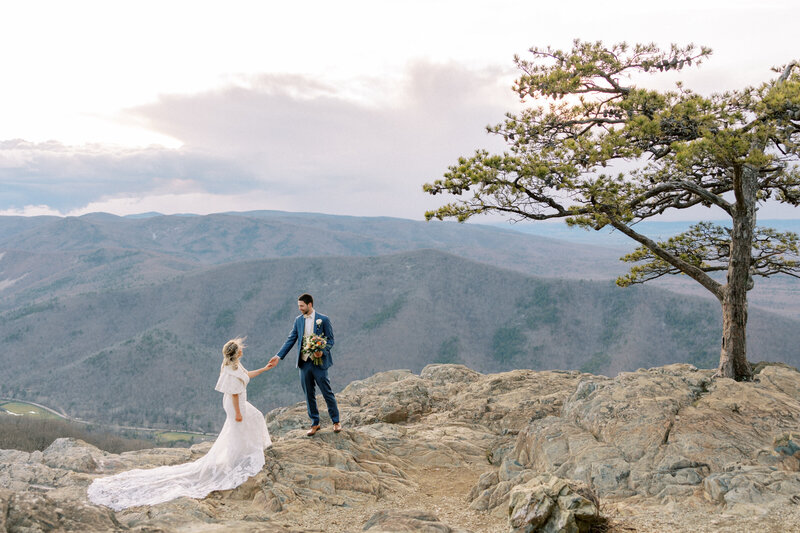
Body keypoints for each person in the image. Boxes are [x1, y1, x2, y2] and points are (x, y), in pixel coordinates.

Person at [87, 338, 272, 511]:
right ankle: (236, 459)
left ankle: (247, 451)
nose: (243, 350)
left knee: (255, 417)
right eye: (241, 348)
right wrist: (238, 413)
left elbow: (247, 375)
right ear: (236, 353)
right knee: (238, 430)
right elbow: (233, 393)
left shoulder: (236, 365)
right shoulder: (230, 370)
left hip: (238, 402)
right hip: (235, 405)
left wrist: (264, 369)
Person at [266, 293, 341, 436]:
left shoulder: (323, 319)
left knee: (327, 392)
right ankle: (315, 423)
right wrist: (278, 356)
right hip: (304, 363)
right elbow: (291, 339)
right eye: (298, 306)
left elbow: (330, 340)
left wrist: (322, 352)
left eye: (301, 306)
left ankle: (336, 422)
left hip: (319, 364)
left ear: (309, 304)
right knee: (309, 394)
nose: (299, 308)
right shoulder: (298, 321)